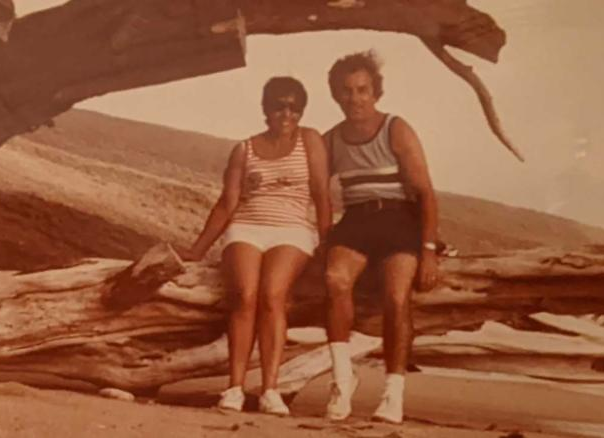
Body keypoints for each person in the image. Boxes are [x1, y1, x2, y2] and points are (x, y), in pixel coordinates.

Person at [183, 77, 331, 416]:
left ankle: (269, 390)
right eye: (279, 105)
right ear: (266, 108)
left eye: (294, 107)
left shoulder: (310, 141)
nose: (287, 113)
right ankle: (234, 388)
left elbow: (322, 196)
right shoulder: (244, 149)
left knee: (273, 295)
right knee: (245, 296)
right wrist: (198, 249)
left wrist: (327, 245)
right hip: (248, 227)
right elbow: (227, 203)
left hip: (292, 230)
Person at [322, 51, 439, 424]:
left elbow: (425, 193)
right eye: (346, 91)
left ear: (376, 92)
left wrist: (429, 249)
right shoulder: (331, 140)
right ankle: (343, 380)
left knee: (396, 296)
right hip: (356, 220)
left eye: (362, 90)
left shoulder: (395, 128)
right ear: (335, 95)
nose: (355, 98)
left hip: (399, 219)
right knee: (334, 279)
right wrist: (324, 238)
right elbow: (315, 190)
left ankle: (393, 392)